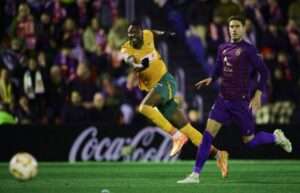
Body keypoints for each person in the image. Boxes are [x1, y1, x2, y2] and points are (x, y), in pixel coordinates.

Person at [177, 15, 292, 184]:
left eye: (237, 26)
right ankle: (195, 175)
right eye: (231, 26)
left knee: (250, 142)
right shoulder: (223, 47)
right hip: (223, 101)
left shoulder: (249, 50)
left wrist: (258, 93)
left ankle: (276, 138)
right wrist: (211, 78)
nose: (234, 29)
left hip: (240, 103)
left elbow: (264, 72)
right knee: (207, 137)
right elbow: (218, 66)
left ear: (244, 28)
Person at [120, 22, 229, 177]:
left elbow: (154, 32)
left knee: (144, 107)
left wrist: (167, 33)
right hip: (156, 89)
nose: (132, 36)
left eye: (135, 33)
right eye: (129, 33)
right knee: (187, 129)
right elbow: (129, 60)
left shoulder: (147, 35)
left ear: (141, 33)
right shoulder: (126, 48)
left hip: (165, 82)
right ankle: (218, 154)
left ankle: (176, 136)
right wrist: (138, 65)